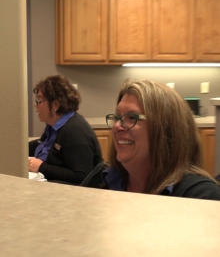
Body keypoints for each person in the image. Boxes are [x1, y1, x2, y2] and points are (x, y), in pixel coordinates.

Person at [81, 79, 220, 200]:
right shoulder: (102, 177)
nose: (117, 126)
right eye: (117, 117)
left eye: (132, 118)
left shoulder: (200, 196)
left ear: (166, 129)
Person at [29, 74, 102, 184]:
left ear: (55, 105)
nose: (36, 105)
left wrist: (41, 167)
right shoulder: (53, 126)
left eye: (40, 100)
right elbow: (42, 144)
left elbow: (80, 177)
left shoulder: (75, 131)